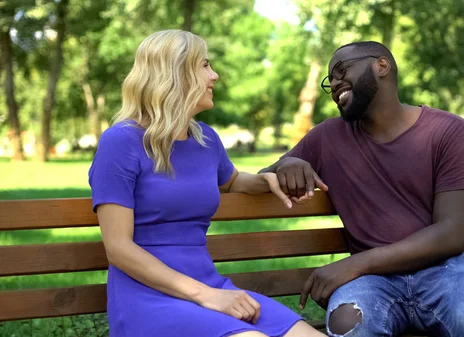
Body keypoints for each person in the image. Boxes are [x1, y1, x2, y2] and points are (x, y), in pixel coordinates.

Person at [260, 41, 464, 337]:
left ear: (381, 66)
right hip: (371, 282)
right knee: (348, 327)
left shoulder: (448, 131)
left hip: (447, 271)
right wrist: (287, 162)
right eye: (330, 80)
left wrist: (354, 265)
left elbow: (453, 233)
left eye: (342, 70)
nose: (335, 85)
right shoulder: (326, 137)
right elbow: (264, 177)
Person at [88, 30, 325, 337]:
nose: (214, 75)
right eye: (204, 65)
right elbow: (118, 248)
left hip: (211, 286)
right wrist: (206, 296)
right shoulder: (121, 142)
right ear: (174, 74)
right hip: (148, 299)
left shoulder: (205, 139)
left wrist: (266, 180)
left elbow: (231, 180)